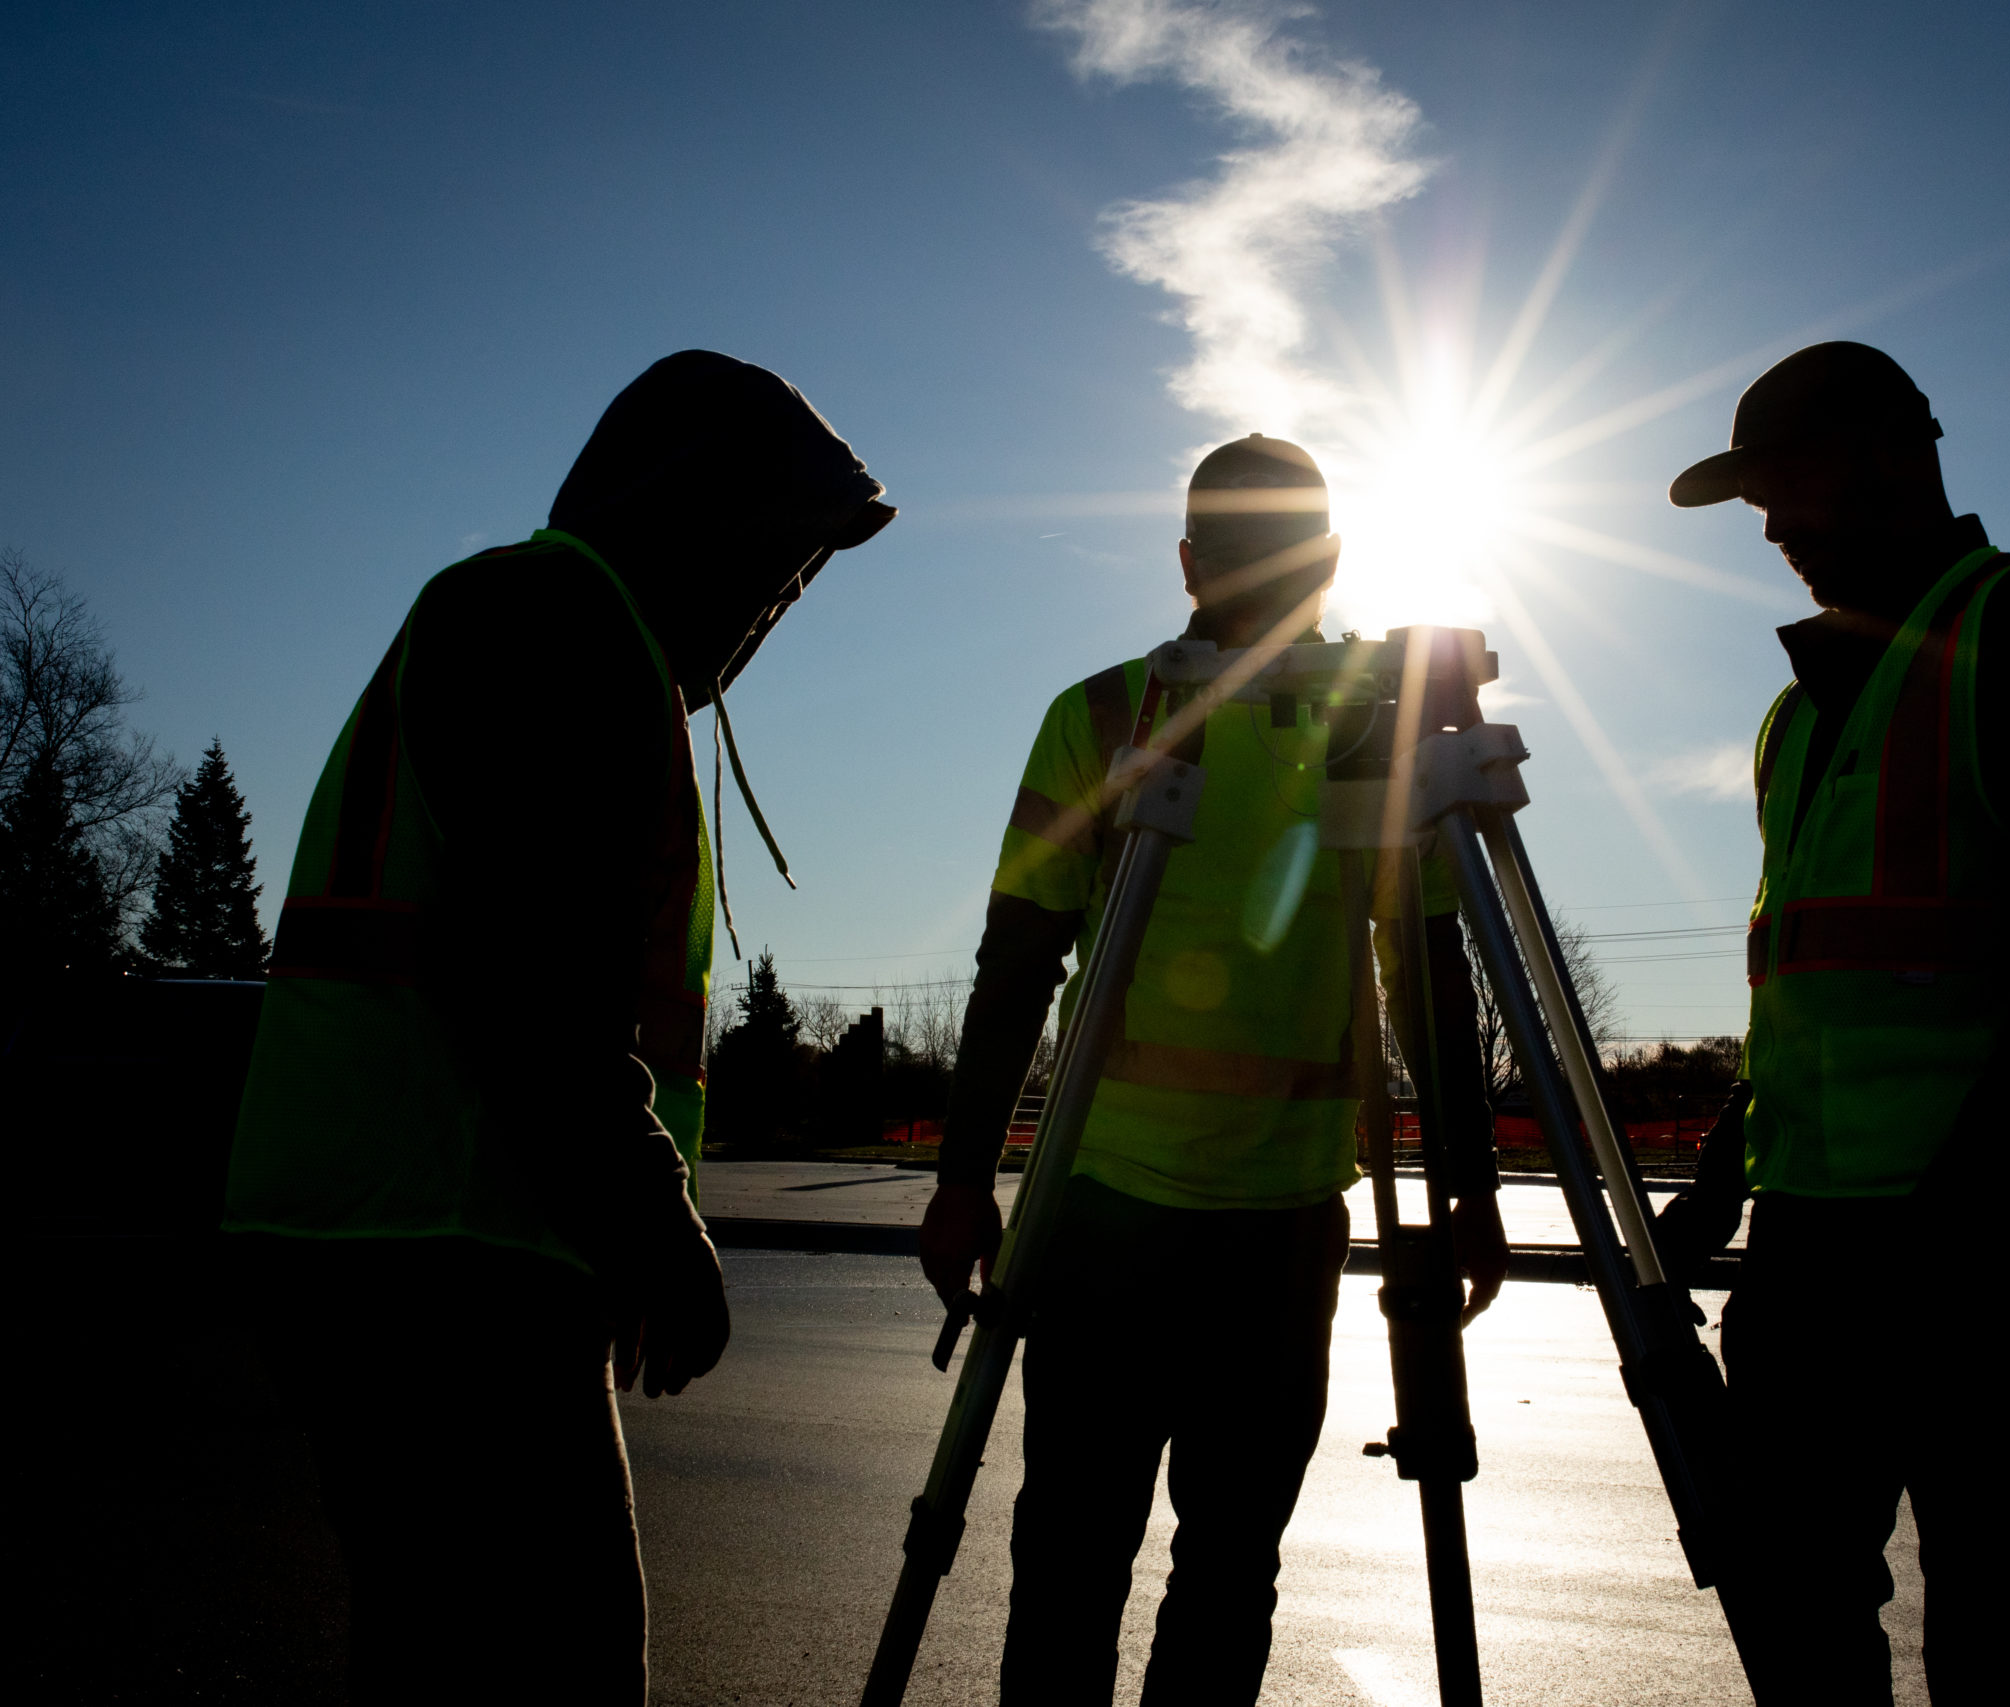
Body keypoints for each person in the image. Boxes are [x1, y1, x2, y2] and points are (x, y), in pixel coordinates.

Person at [224, 351, 896, 1704]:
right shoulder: (554, 619)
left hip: (427, 1239)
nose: (784, 593)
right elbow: (526, 981)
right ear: (694, 511)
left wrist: (607, 1237)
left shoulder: (568, 631)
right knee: (552, 1658)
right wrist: (651, 1229)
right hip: (438, 1253)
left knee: (446, 1652)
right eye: (778, 553)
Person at [922, 433, 1510, 1706]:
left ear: (1190, 557)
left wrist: (966, 1181)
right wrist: (964, 1178)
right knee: (1150, 1568)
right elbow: (1017, 962)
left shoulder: (1361, 721)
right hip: (1170, 1224)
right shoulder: (1118, 715)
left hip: (1216, 1222)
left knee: (1154, 1568)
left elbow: (1426, 965)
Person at [1652, 342, 2010, 1704]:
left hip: (1978, 1233)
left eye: (1784, 482)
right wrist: (1713, 1186)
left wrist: (1974, 1207)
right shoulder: (1798, 716)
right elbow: (1813, 992)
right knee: (1796, 1596)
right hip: (1812, 1231)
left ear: (1890, 451)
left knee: (1995, 1615)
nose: (1768, 524)